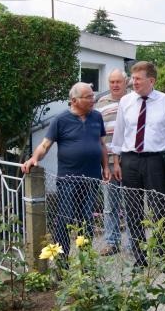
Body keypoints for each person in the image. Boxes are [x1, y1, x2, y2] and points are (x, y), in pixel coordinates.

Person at [111, 61, 165, 267]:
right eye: (132, 78)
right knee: (133, 210)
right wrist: (116, 161)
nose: (133, 82)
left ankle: (162, 256)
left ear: (151, 80)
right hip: (130, 160)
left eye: (138, 79)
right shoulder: (126, 101)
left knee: (158, 209)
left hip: (155, 160)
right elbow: (119, 133)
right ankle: (140, 257)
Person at [22, 82, 108, 254]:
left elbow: (101, 144)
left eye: (93, 95)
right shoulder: (60, 120)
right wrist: (33, 158)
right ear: (74, 100)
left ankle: (86, 261)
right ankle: (62, 263)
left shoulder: (97, 117)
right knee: (64, 219)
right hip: (68, 180)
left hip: (92, 179)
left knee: (86, 221)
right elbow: (45, 145)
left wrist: (105, 167)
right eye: (89, 97)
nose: (93, 99)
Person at [96, 69, 129, 256]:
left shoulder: (133, 101)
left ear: (125, 82)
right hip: (108, 162)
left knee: (133, 203)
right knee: (110, 206)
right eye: (112, 82)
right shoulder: (101, 103)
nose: (115, 85)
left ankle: (134, 243)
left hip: (130, 161)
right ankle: (112, 242)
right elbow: (98, 135)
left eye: (118, 81)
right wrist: (103, 164)